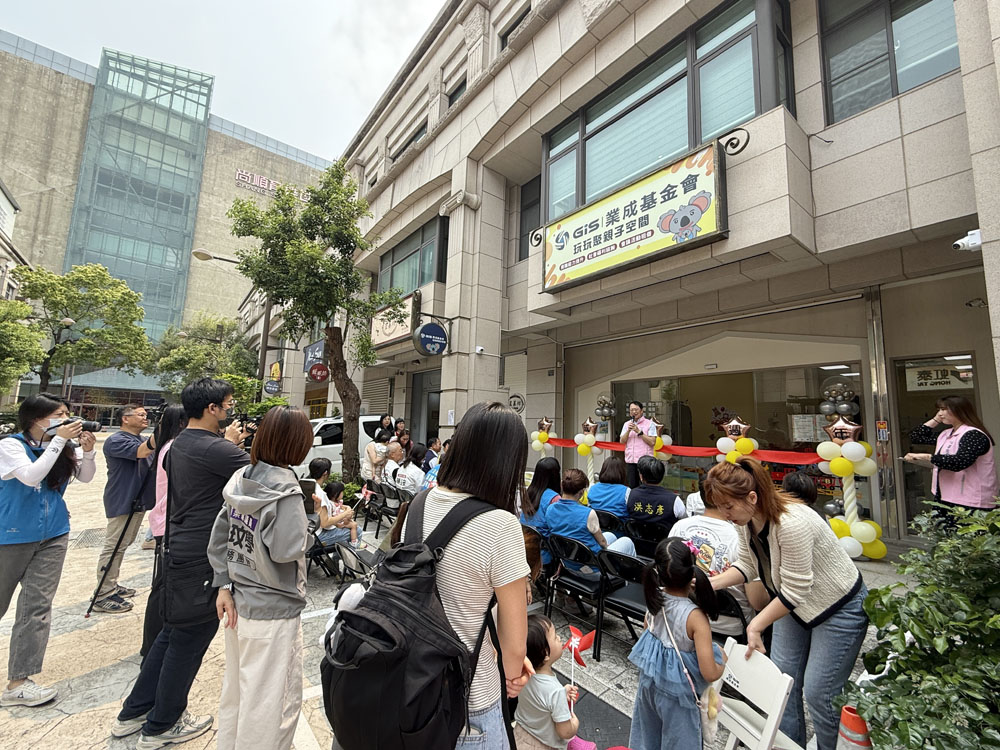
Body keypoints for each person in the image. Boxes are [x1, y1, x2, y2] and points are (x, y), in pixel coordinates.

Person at [112, 378, 251, 748]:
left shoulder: (176, 445)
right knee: (189, 640)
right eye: (228, 404)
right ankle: (162, 725)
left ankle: (135, 711)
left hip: (178, 547)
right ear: (212, 408)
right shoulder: (216, 448)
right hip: (201, 556)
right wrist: (233, 445)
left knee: (172, 633)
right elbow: (262, 478)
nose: (230, 410)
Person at [705, 457, 868, 750]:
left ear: (752, 497)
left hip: (838, 607)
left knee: (820, 692)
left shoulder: (792, 523)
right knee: (782, 681)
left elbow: (796, 589)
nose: (725, 515)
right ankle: (788, 745)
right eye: (720, 507)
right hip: (791, 603)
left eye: (728, 506)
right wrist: (709, 583)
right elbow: (747, 565)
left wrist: (756, 625)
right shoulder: (745, 520)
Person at [401, 401, 532, 749]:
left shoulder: (419, 503)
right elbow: (514, 655)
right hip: (468, 705)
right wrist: (513, 670)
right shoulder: (501, 525)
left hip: (409, 684)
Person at [209, 405, 313, 750]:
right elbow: (287, 550)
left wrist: (223, 585)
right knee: (269, 705)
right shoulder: (287, 492)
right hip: (274, 610)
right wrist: (310, 527)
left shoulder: (242, 479)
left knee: (237, 693)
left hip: (238, 601)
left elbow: (220, 538)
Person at [0, 394, 96, 707]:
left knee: (37, 607)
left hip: (54, 534)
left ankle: (19, 681)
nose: (66, 420)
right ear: (35, 419)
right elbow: (31, 476)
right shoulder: (11, 446)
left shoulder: (63, 447)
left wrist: (88, 452)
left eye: (68, 413)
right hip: (11, 536)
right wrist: (59, 441)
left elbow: (86, 477)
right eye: (59, 415)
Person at [628, 538, 725, 750]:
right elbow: (709, 672)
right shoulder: (695, 617)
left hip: (649, 687)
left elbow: (648, 631)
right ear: (691, 573)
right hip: (679, 699)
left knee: (648, 740)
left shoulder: (655, 600)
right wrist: (723, 662)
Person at [93, 404, 157, 614]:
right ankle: (102, 594)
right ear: (125, 419)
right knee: (114, 546)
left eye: (146, 415)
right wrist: (163, 429)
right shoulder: (117, 440)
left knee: (124, 543)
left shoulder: (140, 438)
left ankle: (111, 584)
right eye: (140, 415)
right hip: (123, 499)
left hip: (138, 500)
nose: (145, 418)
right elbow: (142, 452)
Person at [669, 489, 756, 641]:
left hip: (683, 617)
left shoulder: (680, 526)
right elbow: (757, 601)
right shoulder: (741, 536)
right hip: (730, 628)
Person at [141, 405, 188, 658]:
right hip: (169, 522)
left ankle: (153, 642)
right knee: (163, 586)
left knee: (163, 584)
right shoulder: (174, 448)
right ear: (181, 423)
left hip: (165, 520)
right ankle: (152, 644)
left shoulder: (167, 446)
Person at [905, 395, 997, 519]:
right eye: (939, 410)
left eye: (944, 409)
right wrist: (936, 420)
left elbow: (959, 462)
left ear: (959, 410)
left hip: (971, 500)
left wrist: (928, 457)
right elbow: (916, 436)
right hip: (946, 495)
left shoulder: (974, 434)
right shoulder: (946, 433)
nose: (940, 413)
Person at [513, 615, 580, 750]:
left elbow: (541, 700)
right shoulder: (555, 692)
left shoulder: (523, 674)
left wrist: (563, 693)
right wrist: (574, 723)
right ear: (546, 653)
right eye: (555, 637)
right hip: (544, 744)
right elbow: (565, 732)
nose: (559, 638)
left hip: (520, 735)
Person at [546, 469, 636, 557]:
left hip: (566, 557)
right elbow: (602, 542)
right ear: (581, 492)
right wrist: (607, 549)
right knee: (627, 541)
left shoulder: (550, 509)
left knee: (610, 535)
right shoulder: (588, 513)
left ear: (562, 485)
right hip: (592, 562)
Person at [628, 455, 686, 528]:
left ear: (641, 477)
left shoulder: (630, 495)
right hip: (666, 535)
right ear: (662, 477)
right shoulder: (674, 500)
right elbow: (684, 519)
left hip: (636, 534)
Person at [619, 401, 657, 488]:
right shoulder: (626, 424)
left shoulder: (649, 424)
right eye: (631, 410)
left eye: (636, 409)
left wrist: (639, 432)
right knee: (632, 486)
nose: (634, 412)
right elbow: (622, 441)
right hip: (631, 461)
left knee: (645, 486)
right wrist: (628, 431)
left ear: (642, 411)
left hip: (645, 461)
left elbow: (652, 442)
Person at [315, 481, 360, 548]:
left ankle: (349, 547)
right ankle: (354, 546)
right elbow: (328, 520)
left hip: (333, 524)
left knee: (353, 524)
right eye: (342, 492)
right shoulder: (329, 504)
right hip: (331, 527)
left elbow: (342, 507)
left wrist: (347, 509)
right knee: (357, 529)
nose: (343, 493)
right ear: (336, 494)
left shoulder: (334, 502)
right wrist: (345, 515)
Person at [586, 454, 630, 519]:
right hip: (619, 525)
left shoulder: (592, 488)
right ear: (622, 472)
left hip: (596, 524)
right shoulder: (626, 491)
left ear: (603, 470)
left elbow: (589, 509)